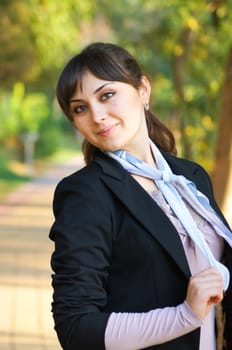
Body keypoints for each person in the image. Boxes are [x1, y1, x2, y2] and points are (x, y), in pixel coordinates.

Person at [49, 42, 232, 350]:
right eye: (80, 108)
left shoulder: (190, 177)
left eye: (107, 95)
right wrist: (184, 315)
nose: (97, 116)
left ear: (143, 89)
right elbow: (76, 327)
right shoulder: (85, 194)